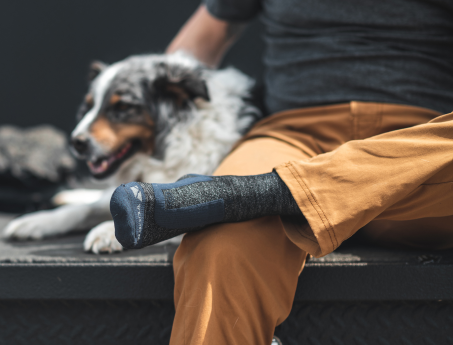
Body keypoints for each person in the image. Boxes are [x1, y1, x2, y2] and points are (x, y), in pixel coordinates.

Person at [111, 1, 453, 344]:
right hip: (293, 137)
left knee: (220, 210)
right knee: (221, 242)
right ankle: (265, 193)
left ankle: (258, 195)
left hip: (419, 149)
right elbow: (200, 42)